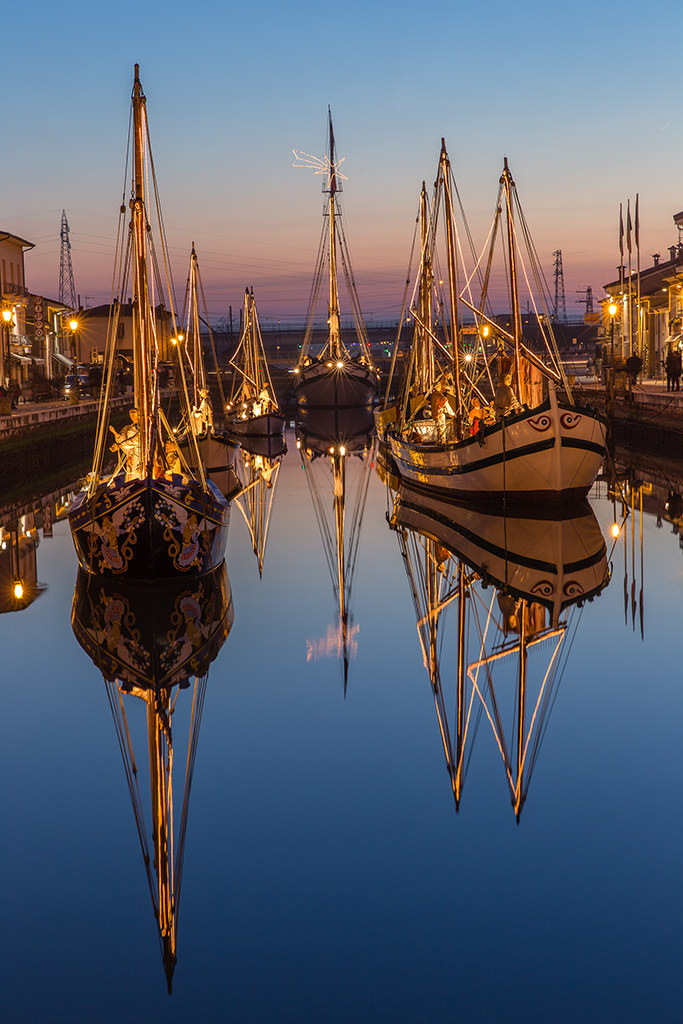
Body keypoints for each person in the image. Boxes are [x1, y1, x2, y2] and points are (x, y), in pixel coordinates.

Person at [109, 407, 141, 475]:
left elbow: (138, 439)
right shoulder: (128, 427)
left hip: (141, 454)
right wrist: (115, 433)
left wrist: (121, 445)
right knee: (131, 472)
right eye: (131, 414)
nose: (132, 416)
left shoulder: (143, 427)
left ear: (138, 414)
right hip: (132, 455)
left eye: (134, 414)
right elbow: (122, 438)